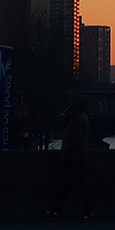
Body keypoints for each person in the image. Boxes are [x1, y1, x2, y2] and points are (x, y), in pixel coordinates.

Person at [44, 93, 95, 221]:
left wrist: (66, 149)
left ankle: (57, 210)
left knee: (72, 186)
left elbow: (77, 139)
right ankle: (56, 210)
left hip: (74, 157)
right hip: (75, 157)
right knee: (71, 185)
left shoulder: (78, 119)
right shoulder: (80, 117)